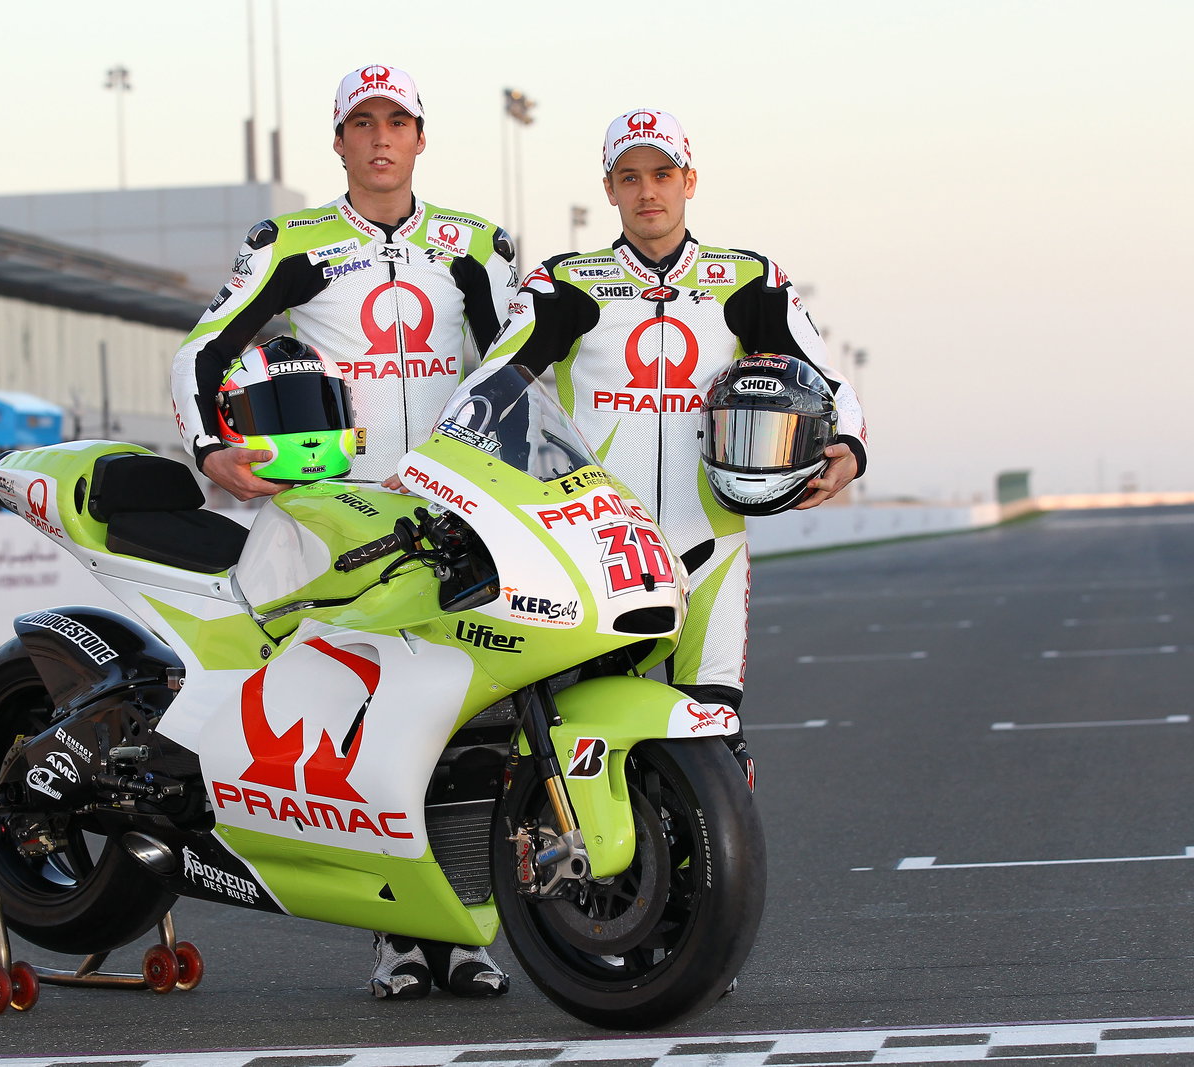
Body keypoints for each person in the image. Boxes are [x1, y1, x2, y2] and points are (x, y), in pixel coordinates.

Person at [169, 65, 517, 1000]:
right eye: (361, 123)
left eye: (395, 121)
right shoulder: (293, 240)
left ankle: (471, 931)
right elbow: (201, 349)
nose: (379, 139)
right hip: (341, 523)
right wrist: (211, 451)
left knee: (474, 724)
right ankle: (395, 938)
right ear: (339, 140)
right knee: (365, 727)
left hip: (457, 518)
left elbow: (527, 372)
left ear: (419, 135)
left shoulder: (475, 245)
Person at [481, 108, 868, 787]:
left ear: (690, 179)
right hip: (600, 551)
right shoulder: (565, 280)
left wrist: (851, 446)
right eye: (629, 177)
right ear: (609, 189)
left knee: (716, 743)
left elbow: (827, 380)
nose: (647, 191)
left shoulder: (749, 277)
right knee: (588, 738)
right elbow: (493, 381)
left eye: (662, 174)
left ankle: (710, 887)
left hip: (711, 539)